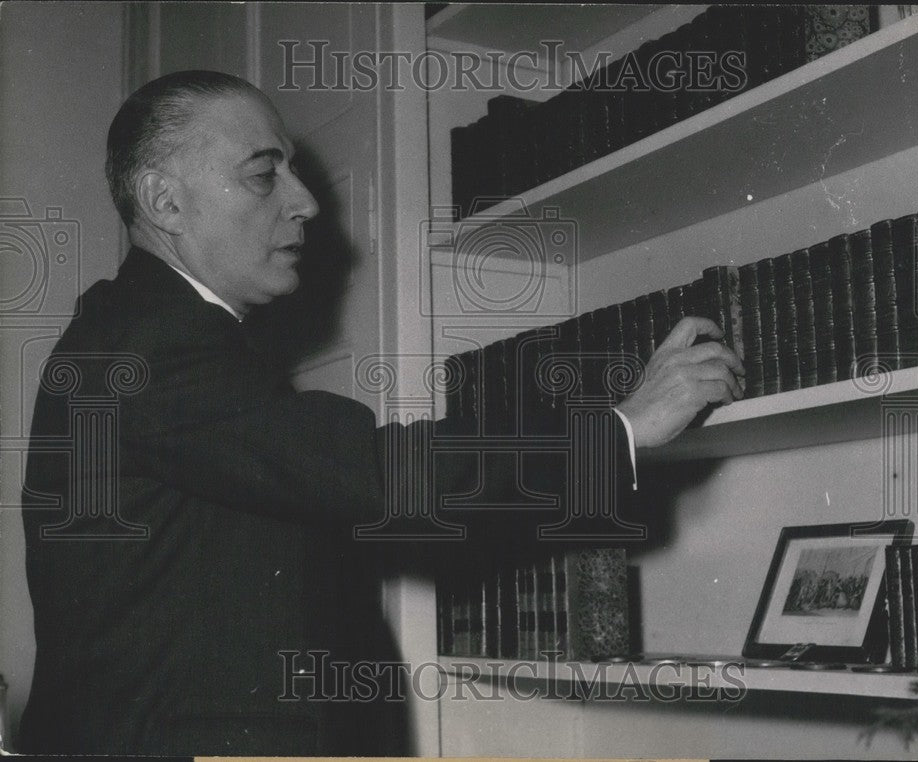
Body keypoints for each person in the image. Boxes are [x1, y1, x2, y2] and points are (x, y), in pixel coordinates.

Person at [19, 70, 743, 755]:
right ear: (165, 202)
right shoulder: (149, 344)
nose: (305, 201)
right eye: (264, 173)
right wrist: (623, 427)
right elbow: (376, 471)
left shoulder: (153, 333)